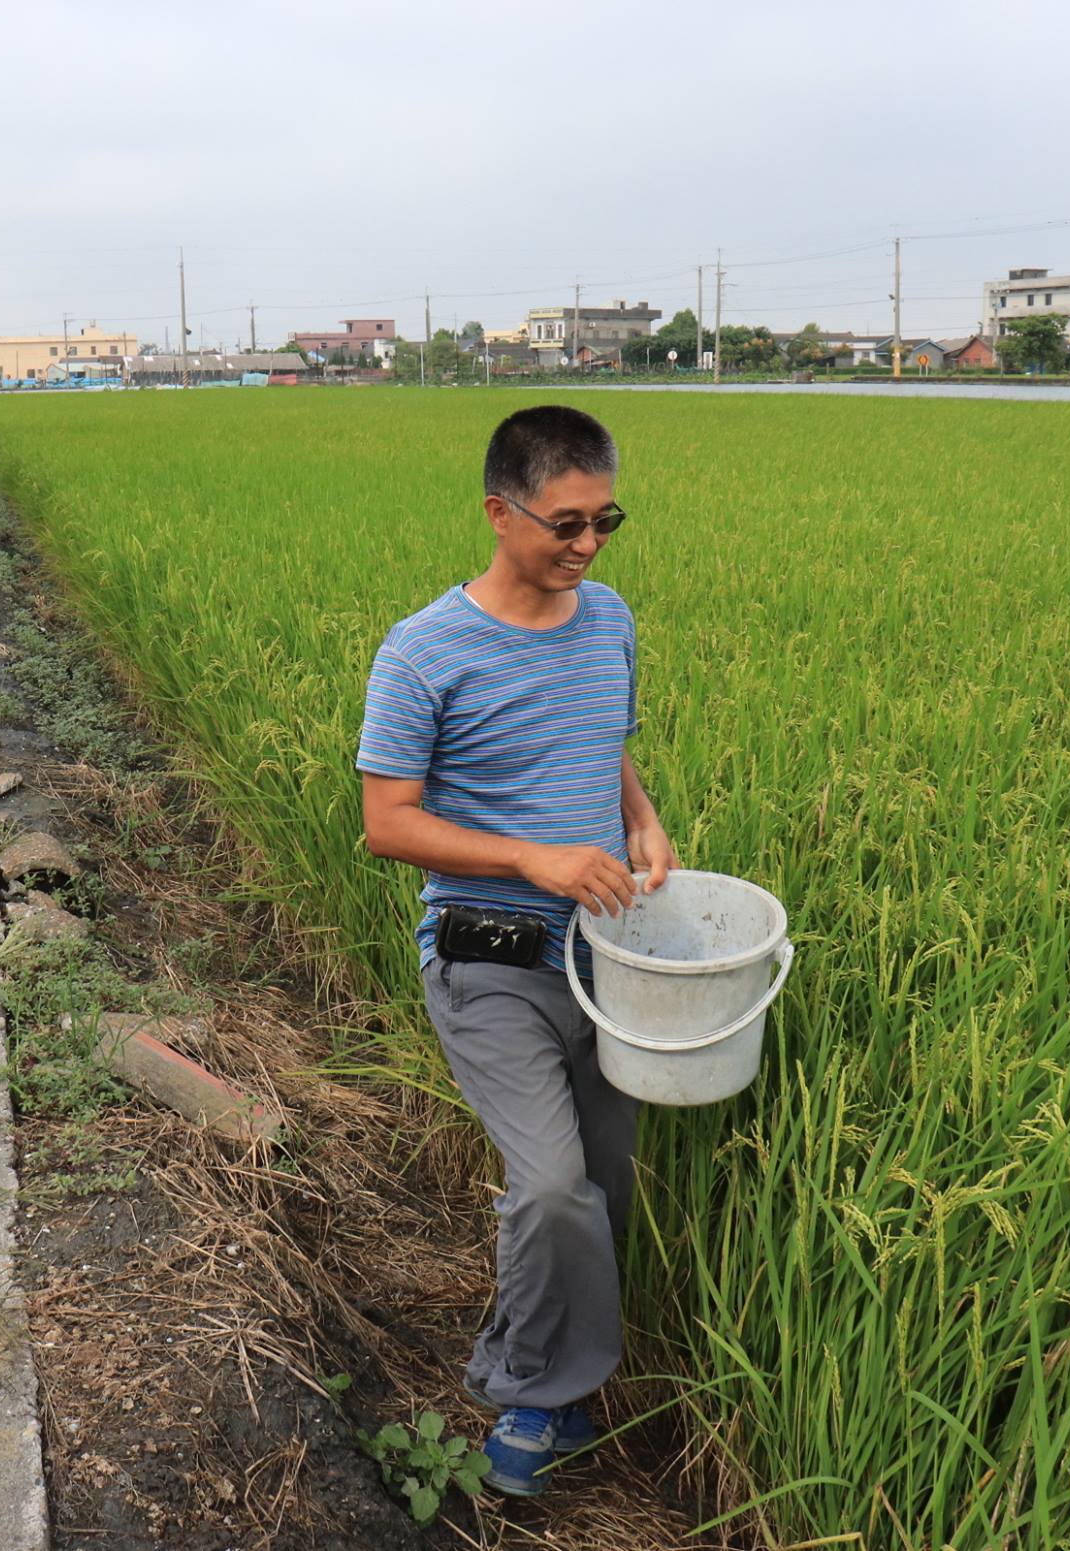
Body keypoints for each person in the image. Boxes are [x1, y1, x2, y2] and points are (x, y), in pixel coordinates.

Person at [355, 404, 676, 1497]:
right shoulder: (422, 652)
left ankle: (563, 1371)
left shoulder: (610, 619)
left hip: (607, 955)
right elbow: (386, 822)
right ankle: (528, 1390)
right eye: (565, 524)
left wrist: (638, 819)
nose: (585, 546)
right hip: (486, 956)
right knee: (548, 1190)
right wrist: (532, 859)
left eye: (605, 521)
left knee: (605, 1184)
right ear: (499, 513)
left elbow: (605, 744)